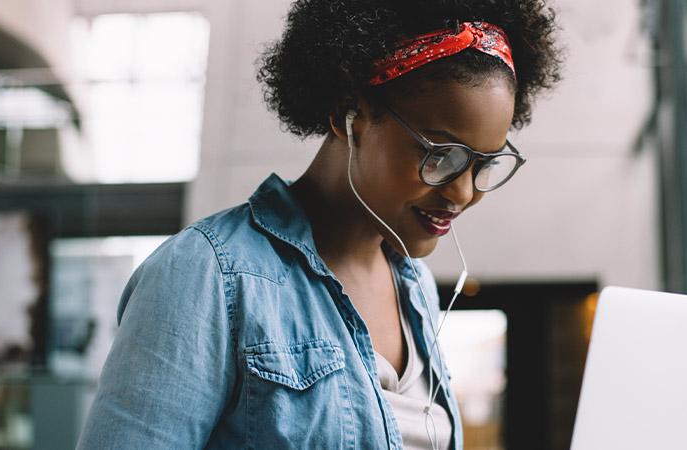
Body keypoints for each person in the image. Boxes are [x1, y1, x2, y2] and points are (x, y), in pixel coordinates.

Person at [76, 1, 561, 448]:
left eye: (485, 164)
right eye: (439, 155)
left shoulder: (413, 287)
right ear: (348, 115)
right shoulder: (204, 276)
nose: (462, 192)